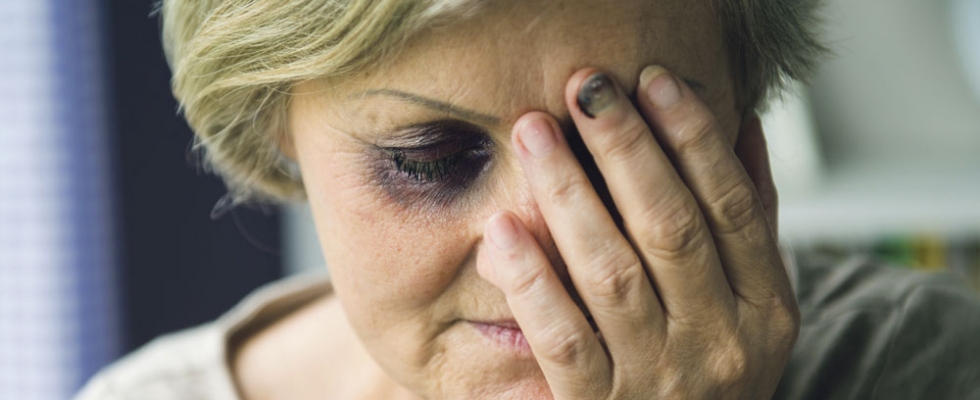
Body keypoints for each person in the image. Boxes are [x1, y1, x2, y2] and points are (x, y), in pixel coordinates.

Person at [76, 0, 980, 399]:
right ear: (279, 126)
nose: (549, 249)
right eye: (431, 161)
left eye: (625, 144)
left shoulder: (924, 366)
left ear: (742, 118)